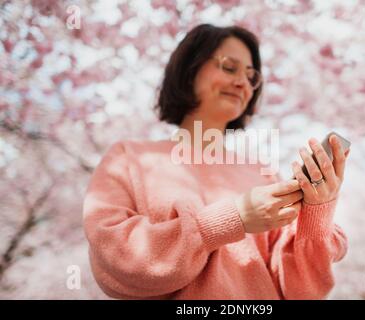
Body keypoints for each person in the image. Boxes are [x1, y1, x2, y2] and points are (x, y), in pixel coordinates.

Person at [83, 24, 350, 300]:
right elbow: (115, 259)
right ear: (189, 70)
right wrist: (233, 219)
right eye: (229, 67)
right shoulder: (129, 158)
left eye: (251, 76)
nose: (242, 83)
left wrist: (317, 213)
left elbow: (301, 290)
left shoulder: (262, 174)